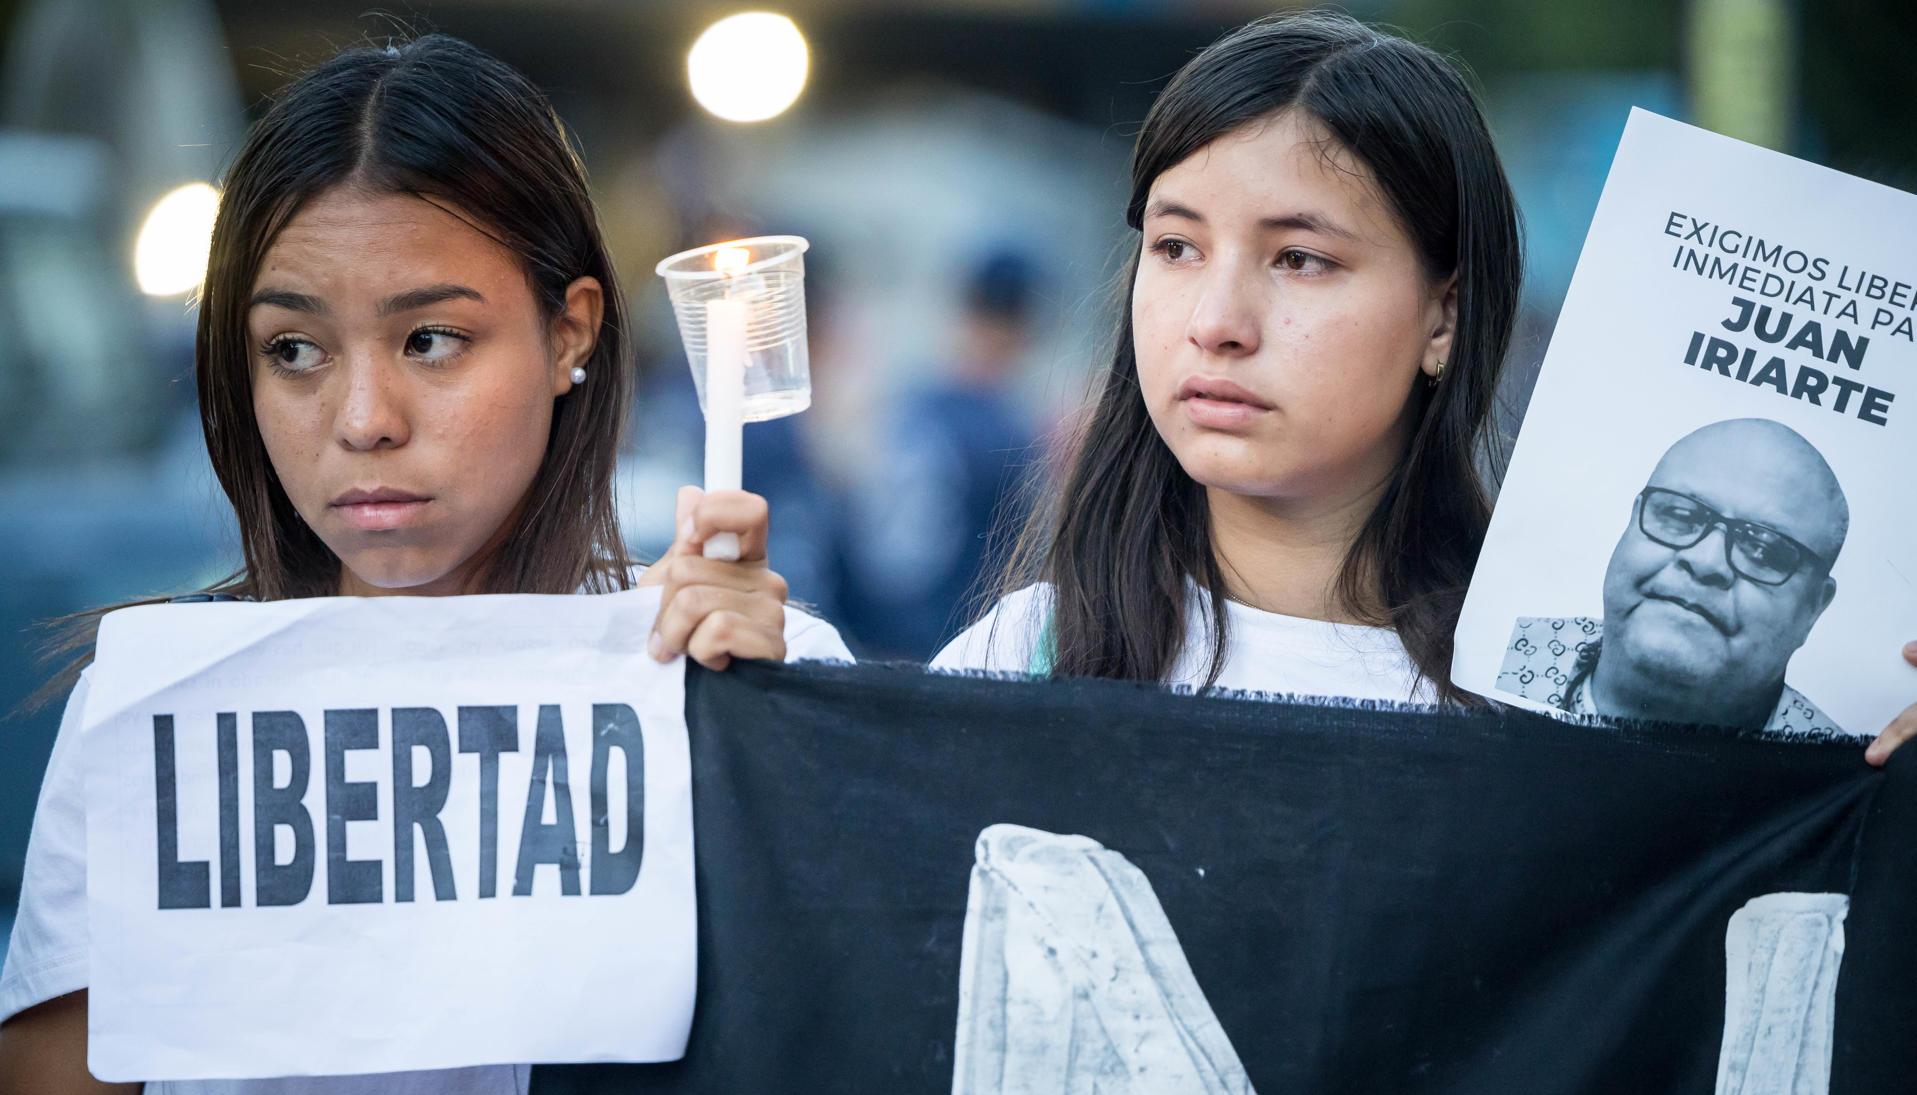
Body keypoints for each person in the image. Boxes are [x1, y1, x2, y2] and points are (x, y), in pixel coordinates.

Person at [0, 35, 846, 1094]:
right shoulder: (157, 717)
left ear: (569, 331)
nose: (363, 421)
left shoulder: (742, 669)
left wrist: (774, 744)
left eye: (432, 339)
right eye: (295, 350)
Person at [929, 12, 1917, 762]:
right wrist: (771, 693)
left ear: (1444, 317)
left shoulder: (1563, 705)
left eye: (1302, 259)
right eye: (1177, 247)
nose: (1215, 320)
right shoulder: (1025, 661)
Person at [1497, 418, 1847, 733]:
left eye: (1763, 550)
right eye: (1679, 515)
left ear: (1814, 607)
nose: (1705, 561)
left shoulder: (1859, 777)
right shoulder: (1480, 653)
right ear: (1632, 521)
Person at [841, 246, 1041, 658]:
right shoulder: (1009, 434)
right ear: (1024, 327)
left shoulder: (908, 403)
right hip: (951, 646)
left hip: (869, 633)